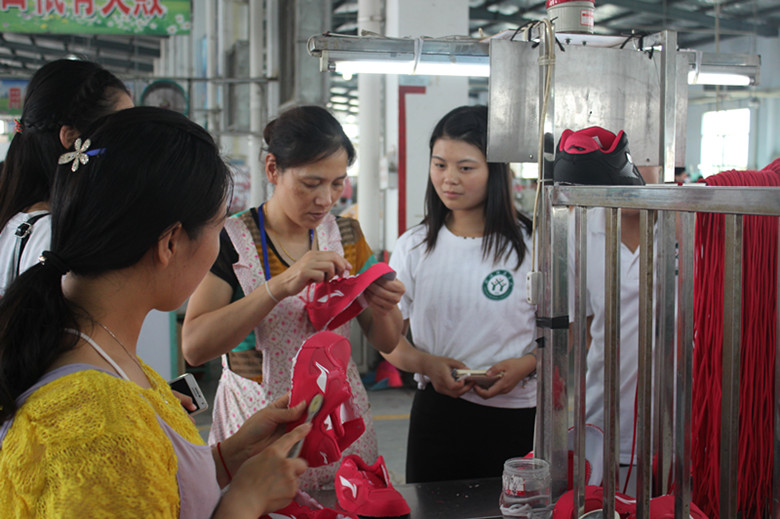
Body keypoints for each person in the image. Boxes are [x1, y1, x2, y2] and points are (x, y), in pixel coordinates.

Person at [0, 107, 312, 518]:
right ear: (171, 243)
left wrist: (229, 458)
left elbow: (150, 487)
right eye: (218, 228)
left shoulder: (100, 350)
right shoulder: (96, 425)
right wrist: (245, 500)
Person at [181, 105, 404, 490]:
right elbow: (195, 346)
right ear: (272, 169)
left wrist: (384, 306)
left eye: (337, 184)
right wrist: (279, 287)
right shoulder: (230, 240)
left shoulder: (347, 238)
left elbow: (387, 340)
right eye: (310, 183)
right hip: (256, 430)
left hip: (340, 429)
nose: (325, 199)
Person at [383, 105, 539, 483]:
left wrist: (527, 364)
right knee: (432, 507)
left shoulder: (533, 244)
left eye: (465, 168)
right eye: (439, 165)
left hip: (518, 413)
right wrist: (426, 364)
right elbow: (389, 342)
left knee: (512, 507)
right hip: (438, 414)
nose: (448, 179)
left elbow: (569, 335)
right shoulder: (414, 246)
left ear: (496, 171)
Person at [0, 59, 133, 296]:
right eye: (122, 131)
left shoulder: (16, 223)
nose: (132, 145)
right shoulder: (57, 237)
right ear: (72, 138)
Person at [567, 165, 661, 495]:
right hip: (605, 420)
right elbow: (581, 326)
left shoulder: (686, 222)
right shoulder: (581, 225)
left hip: (681, 428)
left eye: (642, 158)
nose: (629, 171)